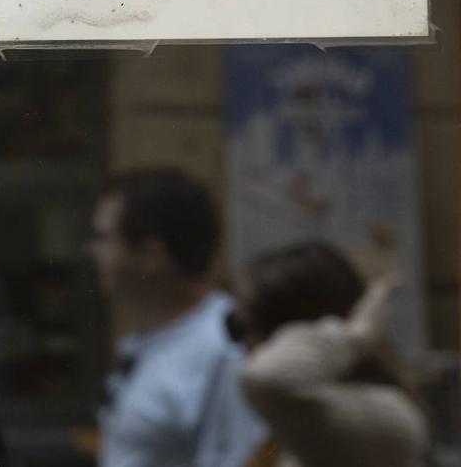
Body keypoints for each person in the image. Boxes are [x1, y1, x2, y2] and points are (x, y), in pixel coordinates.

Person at [87, 168, 265, 467]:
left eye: (105, 238)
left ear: (152, 253)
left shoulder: (224, 345)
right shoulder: (153, 337)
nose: (92, 250)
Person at [231, 242, 428, 467]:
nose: (242, 344)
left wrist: (355, 335)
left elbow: (267, 377)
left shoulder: (375, 419)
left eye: (243, 327)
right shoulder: (308, 413)